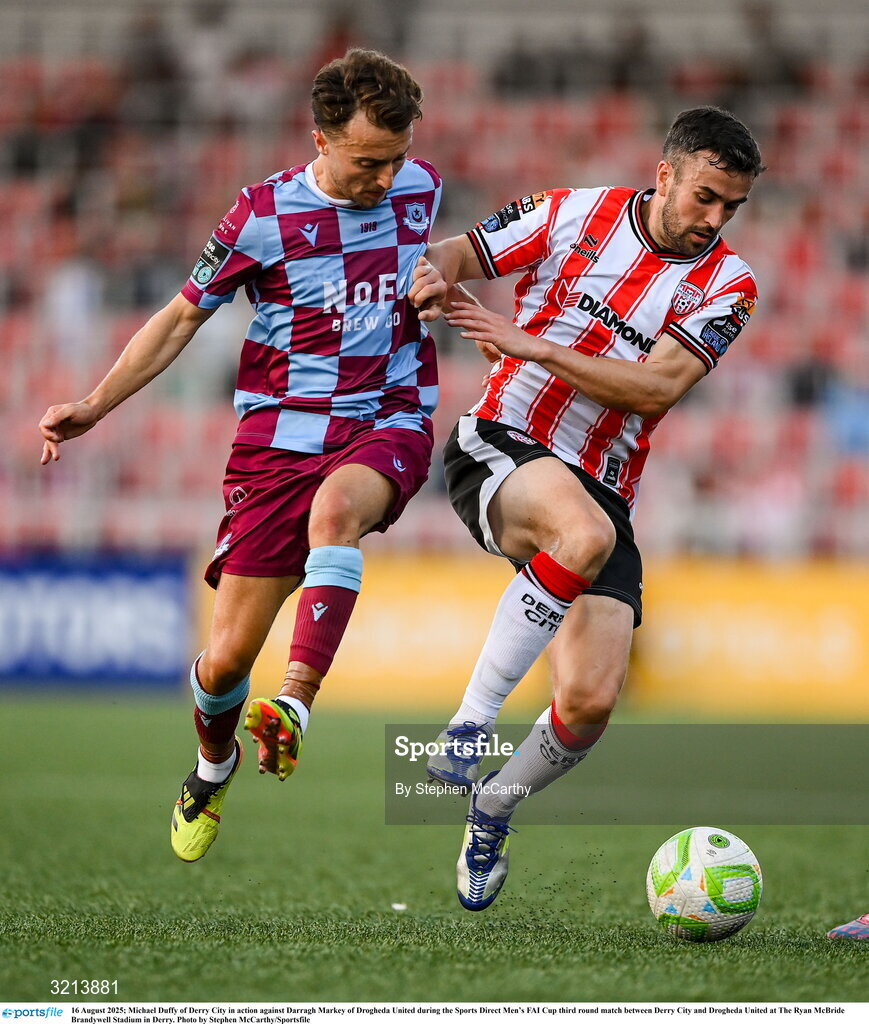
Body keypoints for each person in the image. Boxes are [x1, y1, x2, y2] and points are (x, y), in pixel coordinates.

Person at [38, 49, 447, 864]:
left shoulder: (420, 187)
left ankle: (293, 703)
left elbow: (441, 258)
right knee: (225, 662)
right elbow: (180, 318)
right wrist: (94, 403)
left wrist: (438, 283)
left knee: (339, 513)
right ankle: (211, 766)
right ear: (320, 140)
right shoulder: (260, 216)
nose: (386, 177)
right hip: (276, 443)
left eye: (397, 157)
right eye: (368, 161)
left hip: (387, 417)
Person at [411, 106, 765, 911]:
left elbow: (656, 388)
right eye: (705, 197)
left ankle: (492, 806)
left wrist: (533, 342)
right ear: (664, 173)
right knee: (581, 532)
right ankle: (467, 726)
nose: (714, 220)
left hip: (602, 482)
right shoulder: (572, 213)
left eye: (731, 208)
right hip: (500, 442)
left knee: (590, 700)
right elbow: (451, 252)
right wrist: (431, 277)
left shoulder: (728, 285)